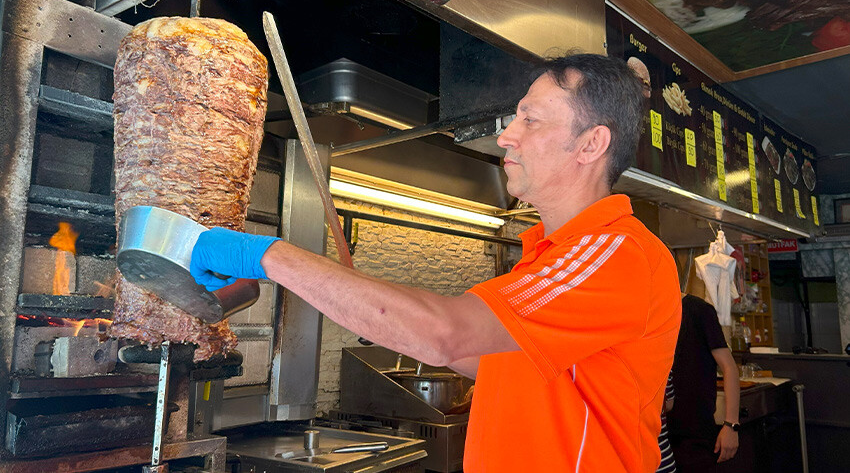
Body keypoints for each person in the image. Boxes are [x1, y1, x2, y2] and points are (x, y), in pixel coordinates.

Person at [190, 53, 682, 472]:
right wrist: (378, 316)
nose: (506, 136)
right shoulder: (547, 258)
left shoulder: (613, 253)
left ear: (591, 143)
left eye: (530, 120)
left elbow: (446, 333)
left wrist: (265, 254)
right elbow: (489, 362)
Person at [668, 294, 741, 472]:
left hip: (695, 433)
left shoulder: (698, 310)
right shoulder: (650, 311)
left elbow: (729, 367)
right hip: (659, 433)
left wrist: (731, 425)